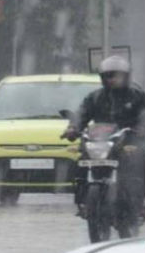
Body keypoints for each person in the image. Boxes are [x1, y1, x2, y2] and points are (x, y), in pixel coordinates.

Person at [62, 55, 145, 218]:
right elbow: (82, 114)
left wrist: (142, 127)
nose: (112, 80)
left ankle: (139, 202)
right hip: (102, 140)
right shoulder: (94, 97)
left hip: (130, 138)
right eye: (108, 76)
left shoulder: (137, 96)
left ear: (126, 76)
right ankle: (83, 200)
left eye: (116, 75)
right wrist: (73, 128)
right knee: (80, 160)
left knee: (139, 159)